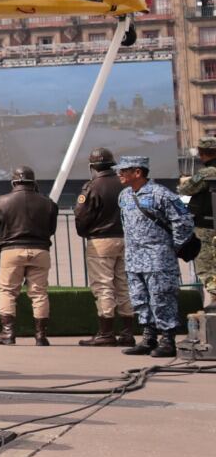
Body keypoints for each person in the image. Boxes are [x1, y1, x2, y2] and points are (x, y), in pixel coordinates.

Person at [115, 155, 193, 358]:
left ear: (138, 172)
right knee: (139, 299)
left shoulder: (162, 194)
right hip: (134, 259)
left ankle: (168, 339)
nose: (120, 174)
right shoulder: (124, 195)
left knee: (162, 298)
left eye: (124, 170)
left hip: (158, 258)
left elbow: (183, 221)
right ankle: (148, 338)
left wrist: (173, 247)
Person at [0, 166, 60, 346]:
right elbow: (51, 229)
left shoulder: (2, 201)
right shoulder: (48, 202)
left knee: (7, 291)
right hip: (40, 250)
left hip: (11, 249)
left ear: (14, 182)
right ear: (33, 182)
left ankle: (8, 333)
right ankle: (40, 335)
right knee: (39, 293)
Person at [73, 147, 134, 347]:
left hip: (101, 241)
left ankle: (106, 332)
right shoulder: (125, 184)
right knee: (124, 285)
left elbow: (82, 215)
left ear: (92, 166)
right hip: (126, 239)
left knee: (103, 286)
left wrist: (85, 232)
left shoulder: (92, 187)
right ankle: (127, 332)